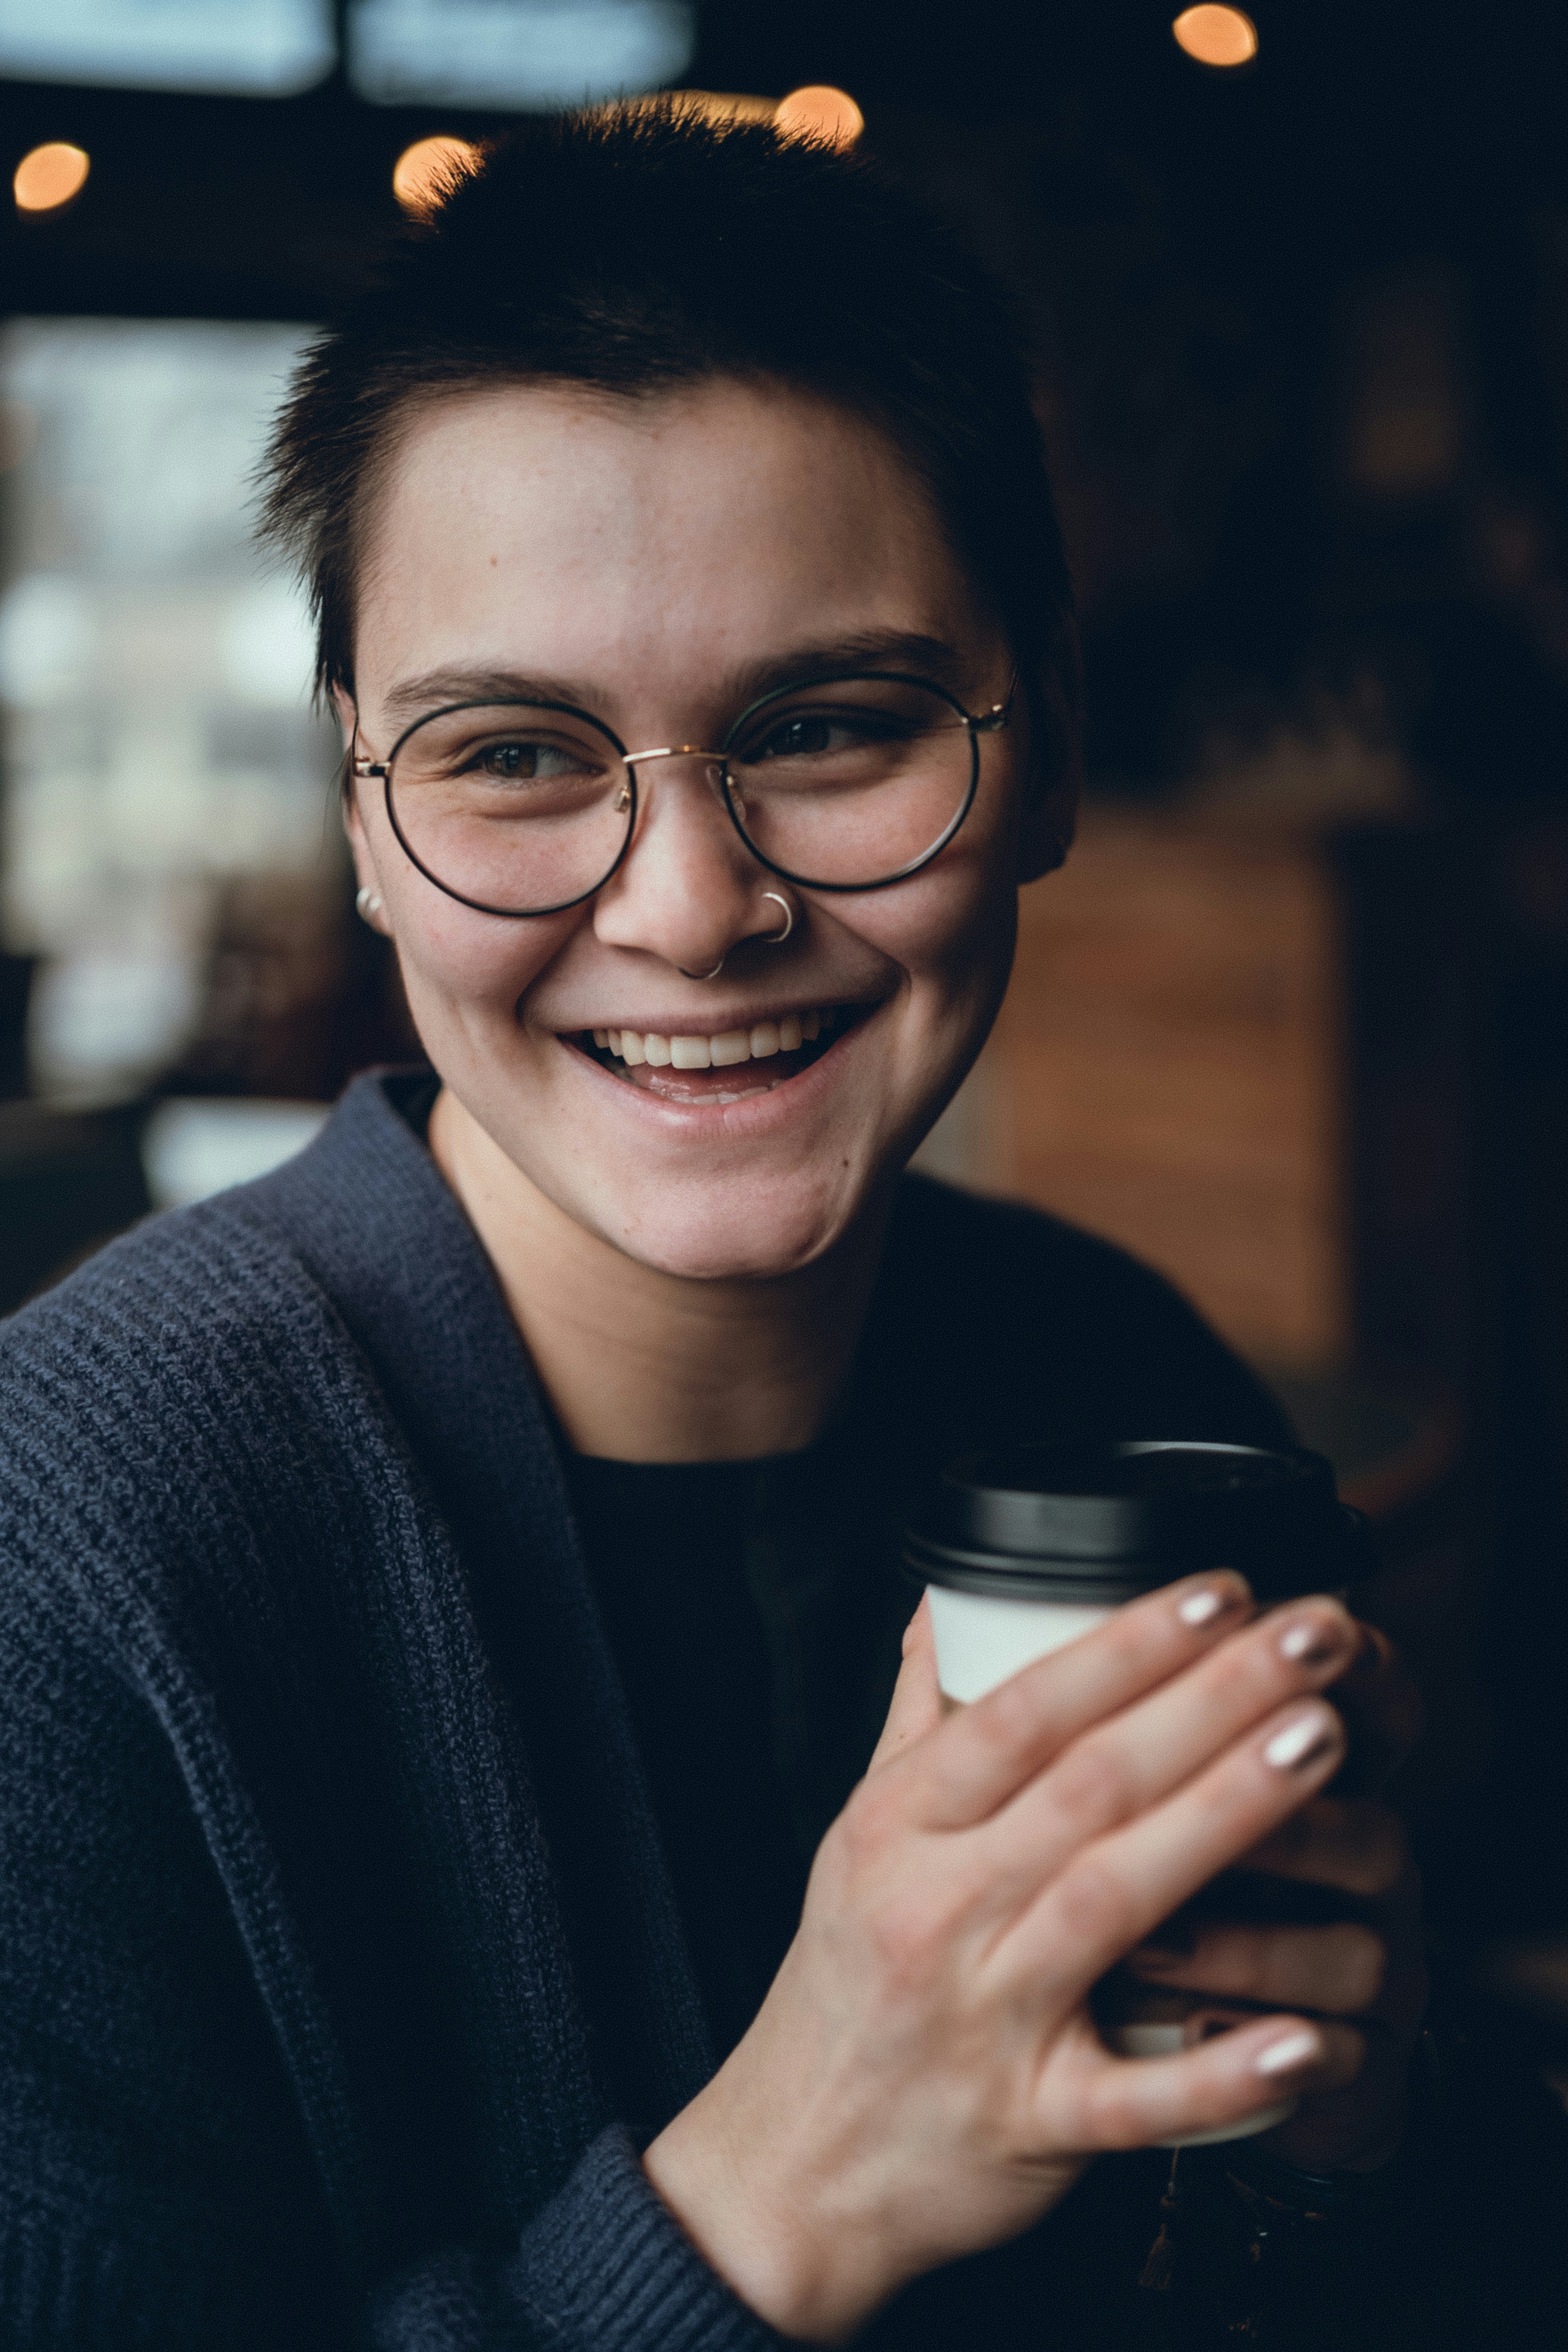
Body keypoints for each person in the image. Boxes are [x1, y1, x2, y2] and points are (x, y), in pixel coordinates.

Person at [0, 106, 1561, 2351]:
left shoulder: (1121, 1382)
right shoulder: (70, 1571)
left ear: (1050, 752)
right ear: (356, 809)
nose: (694, 910)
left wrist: (1350, 2146)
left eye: (827, 726)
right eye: (517, 755)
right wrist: (778, 2198)